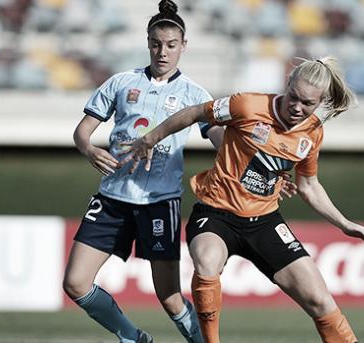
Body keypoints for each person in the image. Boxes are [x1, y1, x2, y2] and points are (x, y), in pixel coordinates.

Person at [123, 56, 364, 343]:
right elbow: (195, 113)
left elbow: (309, 186)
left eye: (307, 103)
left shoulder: (312, 134)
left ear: (320, 102)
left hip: (264, 222)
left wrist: (344, 224)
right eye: (293, 97)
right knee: (207, 262)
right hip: (215, 214)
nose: (297, 107)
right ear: (287, 85)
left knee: (320, 300)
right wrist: (149, 139)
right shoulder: (247, 105)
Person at [62, 1, 223, 342]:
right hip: (112, 199)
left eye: (171, 45)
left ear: (184, 46)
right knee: (75, 283)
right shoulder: (122, 82)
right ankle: (132, 337)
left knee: (169, 297)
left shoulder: (194, 94)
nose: (162, 52)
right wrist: (89, 149)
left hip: (158, 202)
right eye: (156, 44)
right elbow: (82, 131)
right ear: (147, 42)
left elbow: (222, 142)